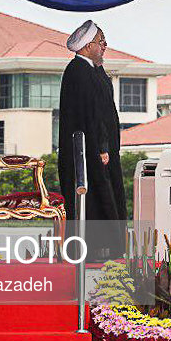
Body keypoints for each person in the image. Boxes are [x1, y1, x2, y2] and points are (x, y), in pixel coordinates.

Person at [57, 20, 126, 260]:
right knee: (95, 199)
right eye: (101, 42)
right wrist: (101, 147)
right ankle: (94, 251)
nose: (104, 46)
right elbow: (91, 114)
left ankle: (108, 249)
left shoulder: (93, 70)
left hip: (99, 148)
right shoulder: (79, 72)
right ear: (87, 46)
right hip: (89, 151)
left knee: (108, 197)